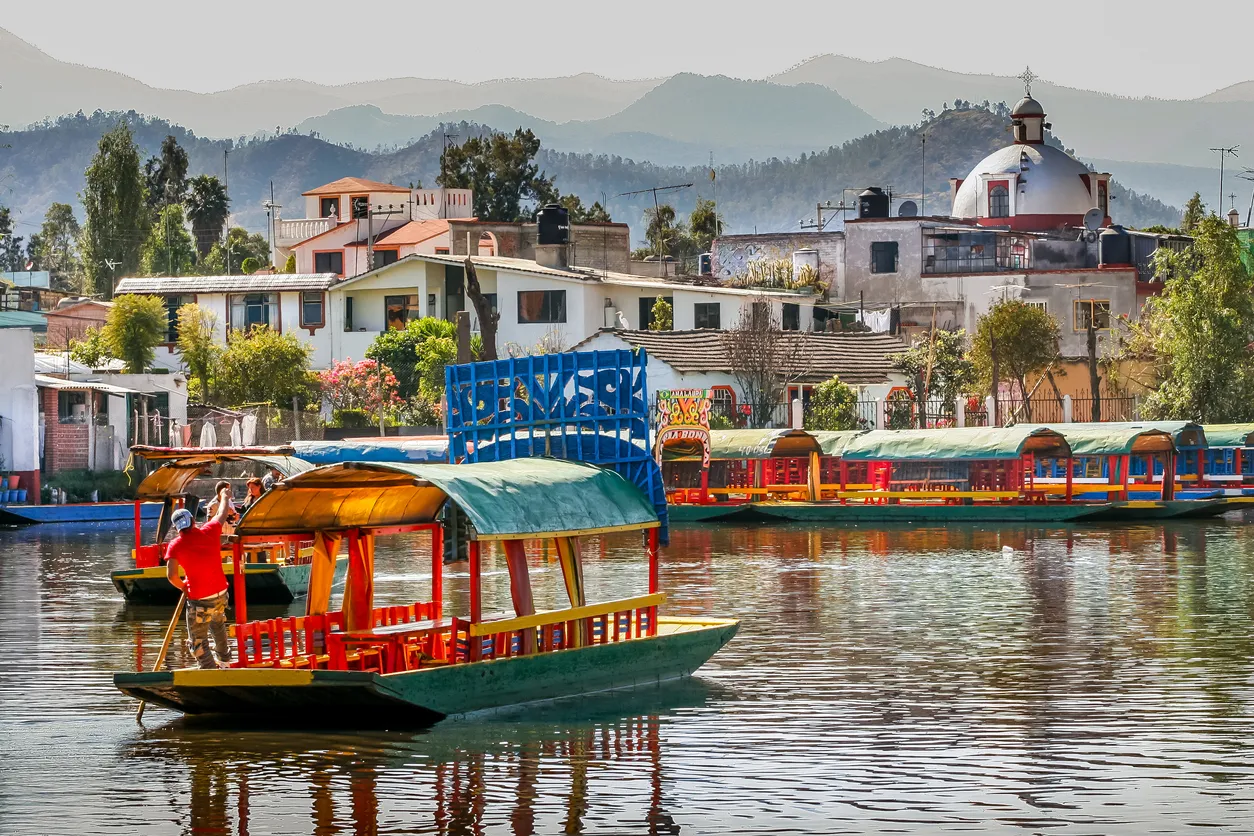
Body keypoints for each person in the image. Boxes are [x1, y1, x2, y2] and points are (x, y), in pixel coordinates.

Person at [166, 485, 235, 669]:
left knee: (197, 639)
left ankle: (209, 669)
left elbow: (171, 575)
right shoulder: (210, 530)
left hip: (200, 598)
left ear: (176, 528)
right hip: (221, 592)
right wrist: (224, 496)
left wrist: (183, 587)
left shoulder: (175, 545)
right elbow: (221, 513)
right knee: (218, 625)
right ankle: (225, 661)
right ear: (193, 521)